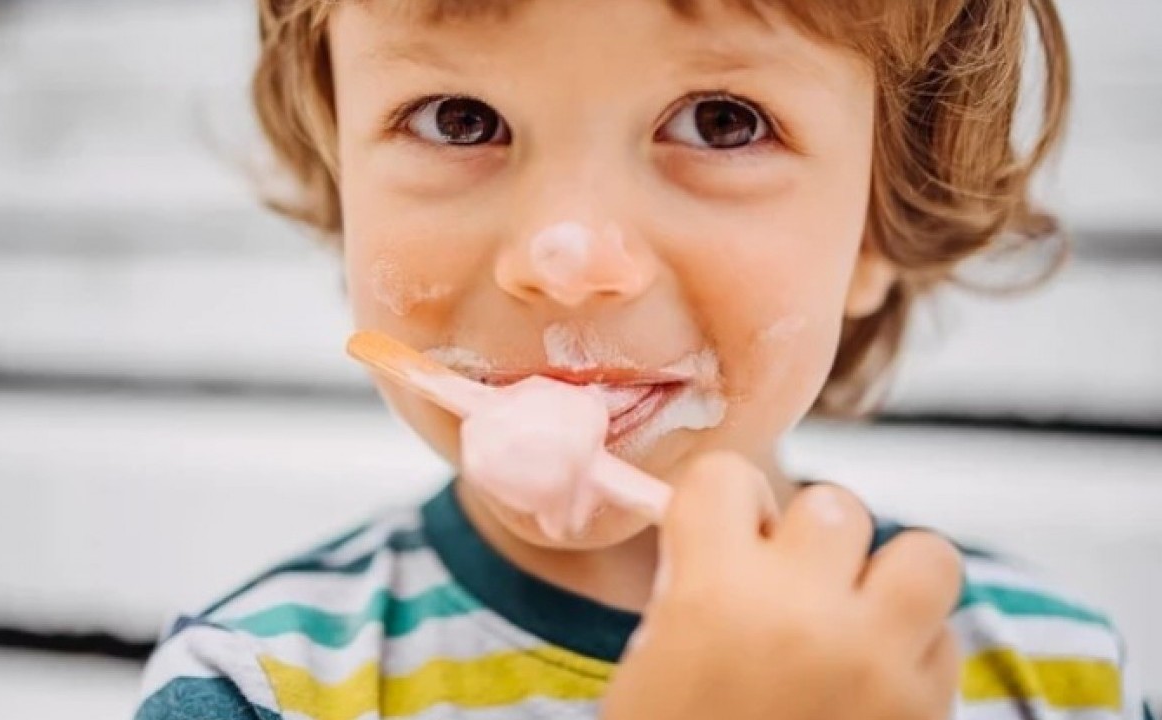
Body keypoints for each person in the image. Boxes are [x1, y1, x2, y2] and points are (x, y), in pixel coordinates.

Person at [134, 1, 1153, 718]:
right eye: (461, 120)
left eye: (720, 121)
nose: (566, 260)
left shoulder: (1051, 675)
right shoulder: (256, 687)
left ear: (877, 224)